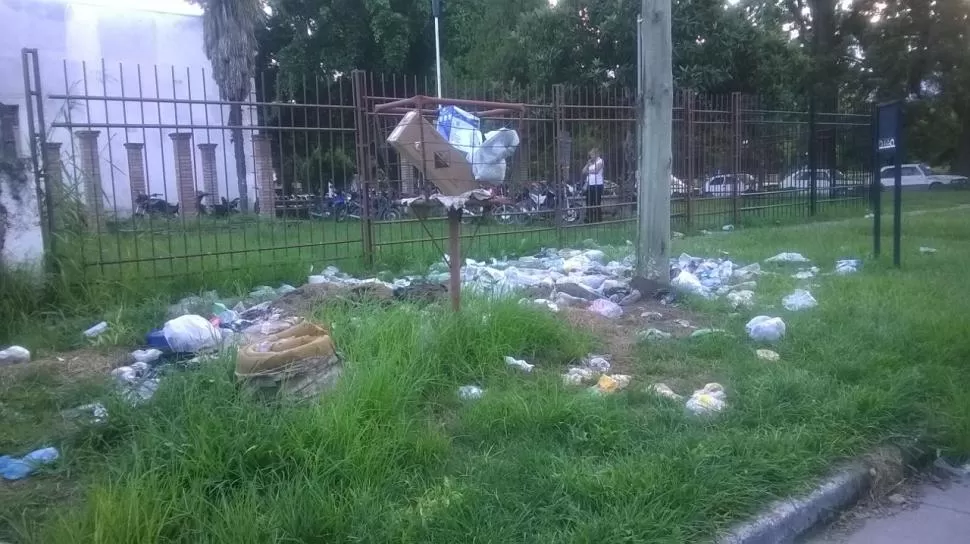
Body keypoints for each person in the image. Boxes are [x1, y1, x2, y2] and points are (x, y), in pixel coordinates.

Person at [583, 148, 605, 222]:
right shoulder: (590, 162)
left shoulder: (600, 161)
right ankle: (589, 218)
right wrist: (587, 164)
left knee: (596, 202)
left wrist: (588, 171)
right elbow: (583, 171)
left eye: (592, 155)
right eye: (590, 155)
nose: (591, 156)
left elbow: (596, 171)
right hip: (590, 184)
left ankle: (598, 219)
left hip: (597, 184)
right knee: (588, 202)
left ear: (597, 154)